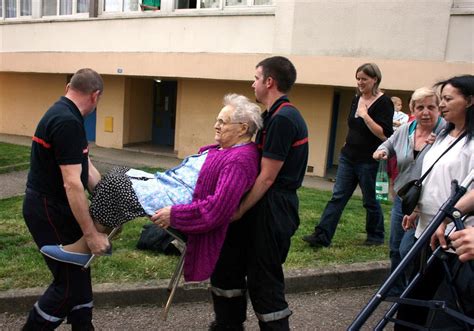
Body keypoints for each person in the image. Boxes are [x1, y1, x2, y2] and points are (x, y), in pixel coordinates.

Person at [41, 93, 262, 282]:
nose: (216, 125)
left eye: (223, 122)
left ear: (242, 128)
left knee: (118, 186)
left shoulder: (239, 161)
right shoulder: (225, 150)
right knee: (118, 173)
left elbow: (218, 209)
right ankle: (100, 231)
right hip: (171, 187)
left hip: (180, 202)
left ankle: (86, 245)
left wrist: (176, 215)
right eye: (218, 120)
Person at [209, 56, 308, 330]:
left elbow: (266, 178)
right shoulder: (271, 116)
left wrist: (239, 210)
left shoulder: (284, 119)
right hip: (262, 205)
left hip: (274, 207)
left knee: (264, 280)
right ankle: (227, 323)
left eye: (256, 77)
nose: (252, 83)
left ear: (269, 81)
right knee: (228, 266)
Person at [22, 68, 110, 330]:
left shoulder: (66, 114)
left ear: (69, 87)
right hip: (49, 210)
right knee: (68, 285)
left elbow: (86, 166)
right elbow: (72, 183)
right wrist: (91, 234)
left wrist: (108, 194)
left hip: (53, 207)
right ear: (95, 96)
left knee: (79, 277)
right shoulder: (67, 122)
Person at [395, 75, 474, 330]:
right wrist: (418, 209)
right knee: (412, 300)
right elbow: (433, 178)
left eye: (448, 99)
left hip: (454, 240)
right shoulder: (443, 135)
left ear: (470, 101)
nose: (441, 105)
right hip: (427, 231)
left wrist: (448, 216)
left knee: (448, 310)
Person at [303, 63, 394, 248]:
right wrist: (346, 141)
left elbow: (384, 134)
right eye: (358, 78)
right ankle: (321, 236)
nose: (360, 82)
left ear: (375, 79)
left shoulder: (384, 103)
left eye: (364, 79)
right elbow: (353, 126)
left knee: (370, 200)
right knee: (337, 197)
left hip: (369, 160)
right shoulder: (356, 98)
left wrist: (366, 115)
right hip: (348, 157)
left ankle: (375, 236)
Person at [373, 87, 445, 296]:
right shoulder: (407, 129)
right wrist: (383, 151)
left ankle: (414, 290)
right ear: (412, 109)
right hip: (404, 199)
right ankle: (397, 292)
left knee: (408, 249)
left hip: (429, 203)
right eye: (420, 107)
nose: (425, 112)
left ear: (438, 109)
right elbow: (389, 143)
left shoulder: (445, 133)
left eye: (431, 107)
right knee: (396, 248)